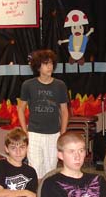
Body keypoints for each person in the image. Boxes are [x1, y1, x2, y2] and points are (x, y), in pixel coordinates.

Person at [17, 49, 69, 179]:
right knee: (35, 169)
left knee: (51, 171)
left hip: (54, 134)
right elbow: (20, 109)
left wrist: (62, 133)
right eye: (46, 63)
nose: (49, 66)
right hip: (34, 133)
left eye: (51, 63)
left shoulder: (60, 85)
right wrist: (25, 131)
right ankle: (36, 192)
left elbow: (64, 111)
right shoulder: (28, 85)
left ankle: (47, 192)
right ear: (38, 66)